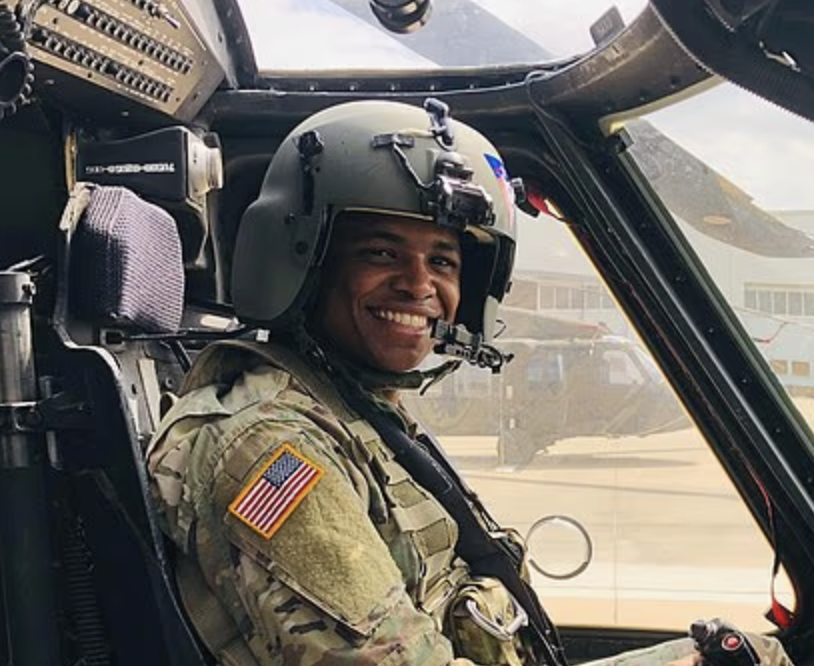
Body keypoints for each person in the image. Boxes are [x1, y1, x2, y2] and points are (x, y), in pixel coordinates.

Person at [146, 99, 793, 666]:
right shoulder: (267, 447)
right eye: (380, 252)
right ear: (302, 259)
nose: (419, 285)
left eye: (444, 260)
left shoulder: (352, 410)